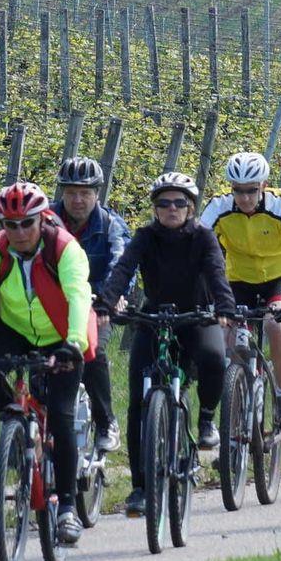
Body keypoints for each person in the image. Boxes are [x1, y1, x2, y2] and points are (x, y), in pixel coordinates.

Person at [0, 182, 94, 548]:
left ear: (42, 219)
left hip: (61, 332)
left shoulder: (64, 248)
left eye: (26, 223)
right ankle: (13, 426)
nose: (18, 232)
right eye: (9, 225)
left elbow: (79, 295)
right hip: (14, 329)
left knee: (60, 415)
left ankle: (67, 508)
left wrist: (74, 344)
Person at [105, 172, 238, 520]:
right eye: (164, 203)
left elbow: (216, 274)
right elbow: (123, 270)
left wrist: (224, 308)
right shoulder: (145, 237)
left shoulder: (203, 237)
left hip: (196, 316)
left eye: (179, 202)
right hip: (155, 319)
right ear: (155, 209)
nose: (172, 209)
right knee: (138, 400)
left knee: (214, 357)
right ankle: (140, 487)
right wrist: (106, 302)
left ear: (191, 207)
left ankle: (206, 419)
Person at [198, 152, 281, 432]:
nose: (244, 198)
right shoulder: (218, 207)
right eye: (238, 190)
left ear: (263, 185)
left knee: (275, 325)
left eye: (251, 190)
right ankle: (234, 416)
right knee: (228, 334)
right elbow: (196, 249)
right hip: (238, 279)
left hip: (279, 277)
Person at [51, 155, 130, 449]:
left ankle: (106, 421)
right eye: (71, 192)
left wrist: (111, 298)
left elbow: (121, 264)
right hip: (53, 303)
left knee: (92, 352)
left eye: (85, 193)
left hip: (96, 305)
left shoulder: (110, 224)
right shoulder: (46, 221)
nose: (78, 200)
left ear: (97, 193)